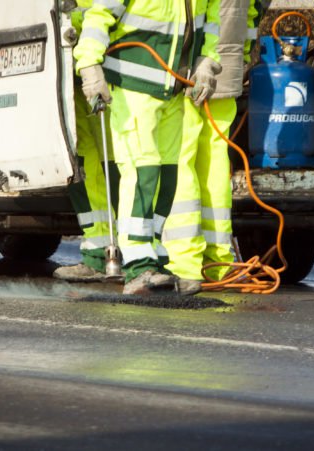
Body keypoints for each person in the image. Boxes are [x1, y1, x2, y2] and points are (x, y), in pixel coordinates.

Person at [74, 0, 222, 295]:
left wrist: (208, 60)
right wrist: (89, 63)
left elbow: (212, 23)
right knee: (142, 172)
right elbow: (100, 12)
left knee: (166, 175)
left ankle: (154, 257)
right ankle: (138, 263)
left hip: (174, 89)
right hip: (132, 85)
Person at [162, 0, 261, 295]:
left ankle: (185, 264)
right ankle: (219, 261)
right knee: (216, 166)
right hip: (226, 72)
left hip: (193, 72)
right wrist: (241, 60)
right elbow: (250, 16)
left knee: (182, 160)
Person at [53, 1, 120, 281]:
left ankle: (128, 251)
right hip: (75, 69)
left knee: (114, 162)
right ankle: (96, 252)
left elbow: (106, 11)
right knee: (83, 162)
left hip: (106, 67)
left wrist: (70, 21)